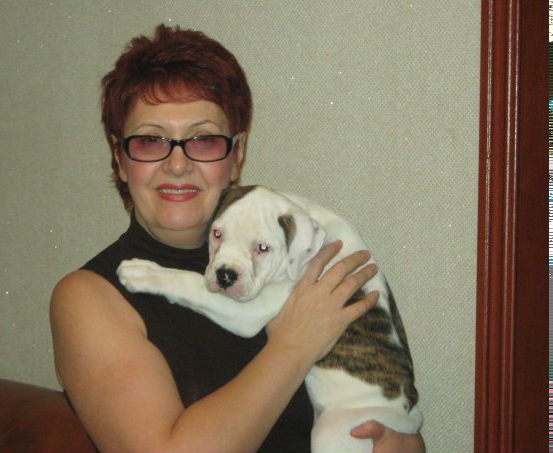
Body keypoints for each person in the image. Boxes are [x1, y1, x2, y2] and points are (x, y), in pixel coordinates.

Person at [50, 24, 425, 453]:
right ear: (120, 158)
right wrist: (294, 346)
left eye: (203, 140)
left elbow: (376, 395)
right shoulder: (89, 298)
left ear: (236, 155)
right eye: (151, 140)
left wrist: (405, 443)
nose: (177, 164)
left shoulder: (286, 254)